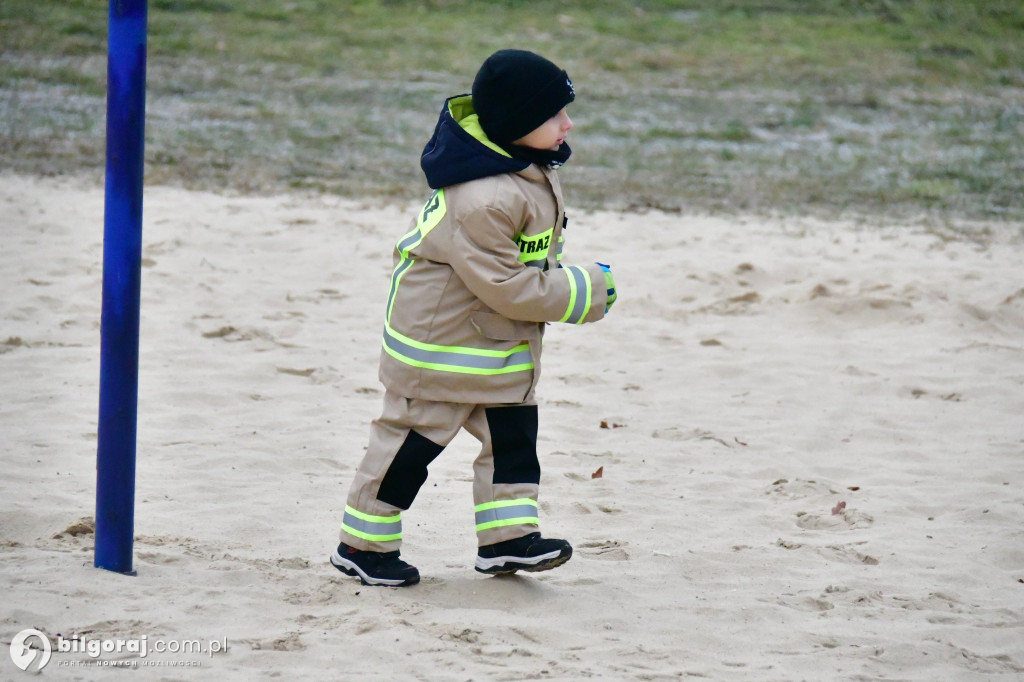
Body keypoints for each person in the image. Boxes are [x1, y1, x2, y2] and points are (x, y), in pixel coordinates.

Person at [330, 49, 618, 587]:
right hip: (440, 350)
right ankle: (361, 545)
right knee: (409, 448)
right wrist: (587, 289)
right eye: (555, 114)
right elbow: (507, 285)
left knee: (512, 444)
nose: (568, 123)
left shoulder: (522, 170)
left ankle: (507, 541)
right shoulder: (484, 198)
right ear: (516, 123)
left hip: (493, 341)